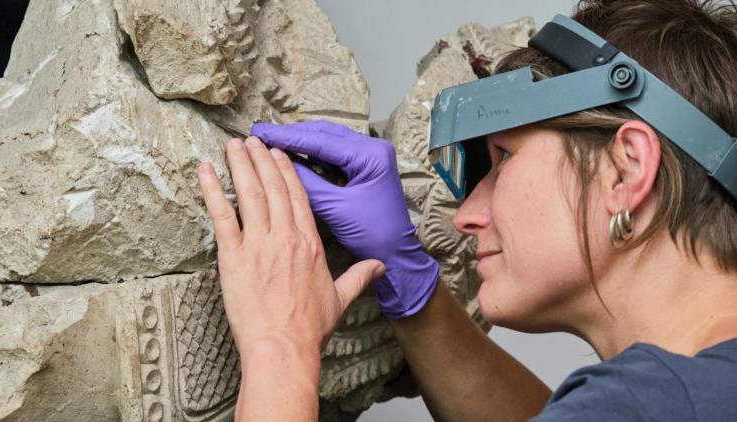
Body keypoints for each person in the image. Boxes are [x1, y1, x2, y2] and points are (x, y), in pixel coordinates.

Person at [196, 0, 737, 420]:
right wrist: (409, 281)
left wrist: (280, 352)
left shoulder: (648, 403)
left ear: (626, 171)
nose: (465, 216)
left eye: (502, 160)